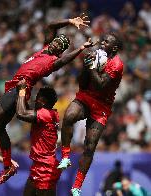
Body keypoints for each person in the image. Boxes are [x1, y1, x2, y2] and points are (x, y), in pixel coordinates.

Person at [0, 14, 95, 185]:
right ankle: (7, 166)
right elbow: (51, 25)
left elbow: (65, 59)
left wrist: (80, 49)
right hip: (15, 86)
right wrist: (70, 21)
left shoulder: (53, 61)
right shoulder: (44, 48)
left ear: (60, 50)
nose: (56, 43)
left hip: (21, 87)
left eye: (61, 45)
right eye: (57, 41)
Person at [57, 33, 124, 195]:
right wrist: (86, 67)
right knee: (69, 116)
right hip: (86, 96)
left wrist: (92, 68)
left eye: (106, 41)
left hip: (102, 104)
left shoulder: (117, 64)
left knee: (90, 144)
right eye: (102, 39)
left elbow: (101, 85)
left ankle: (77, 186)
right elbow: (82, 83)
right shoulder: (94, 56)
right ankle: (65, 156)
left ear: (113, 48)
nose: (101, 42)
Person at [15, 79, 61, 196]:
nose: (35, 100)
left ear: (43, 102)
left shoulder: (45, 114)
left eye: (37, 98)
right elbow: (26, 109)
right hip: (39, 165)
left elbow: (21, 113)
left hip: (46, 168)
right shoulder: (50, 113)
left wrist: (22, 91)